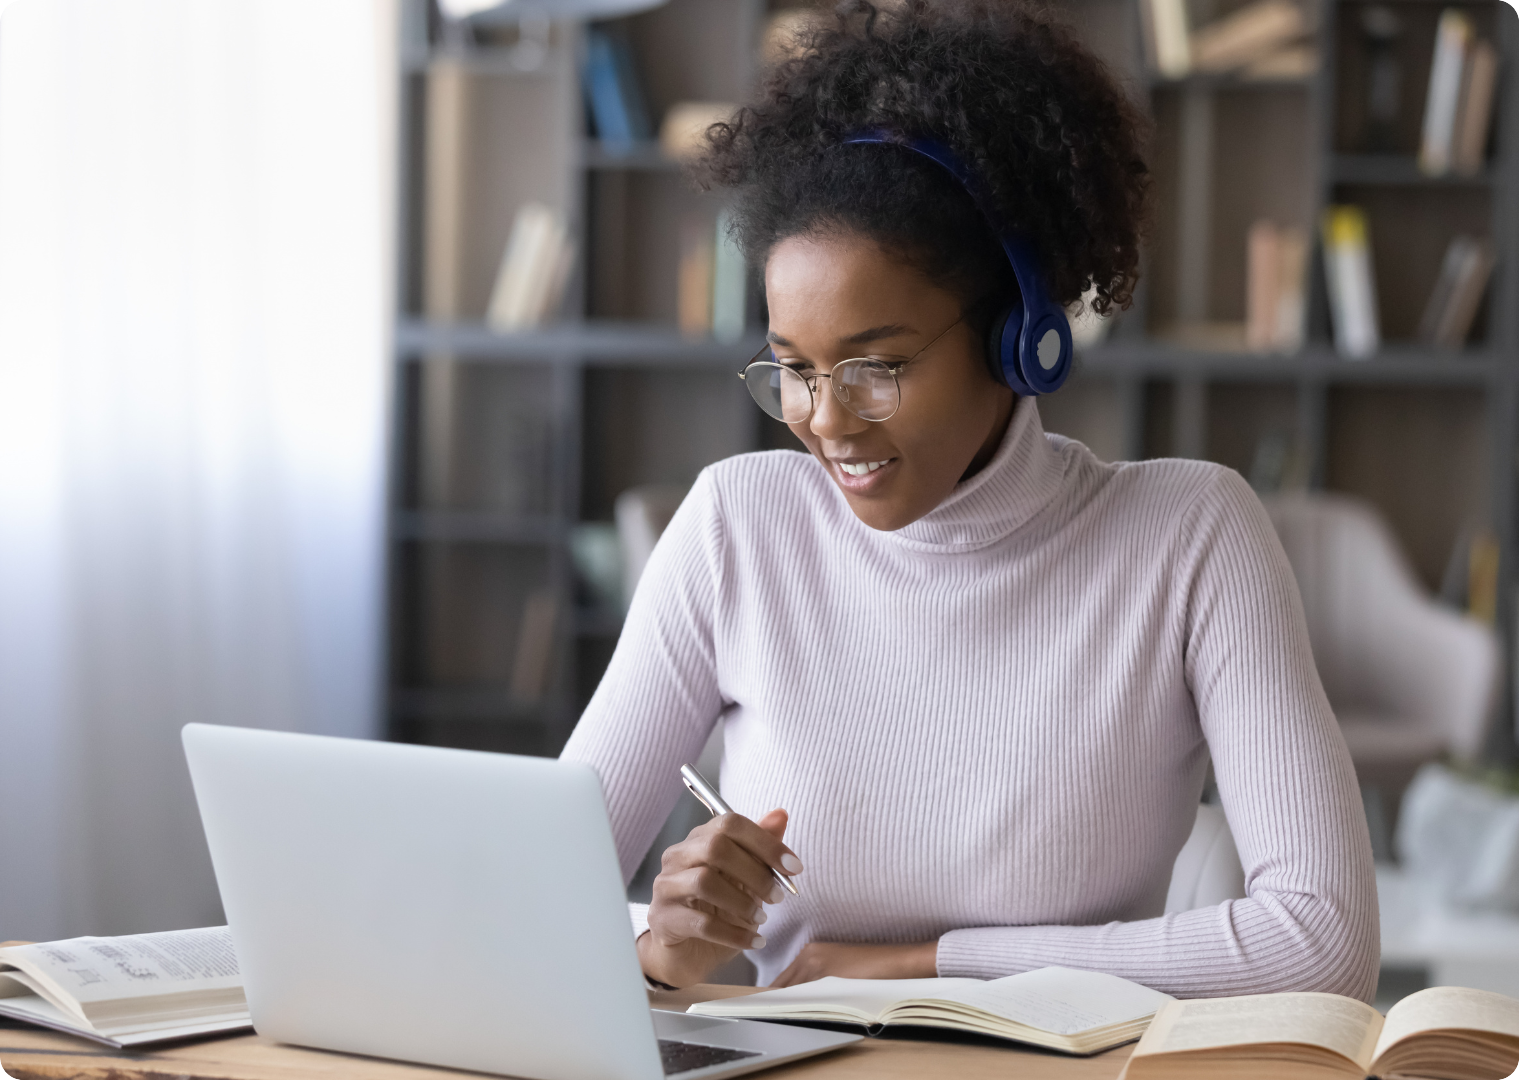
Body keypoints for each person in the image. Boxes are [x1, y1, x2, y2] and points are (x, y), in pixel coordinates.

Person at [561, 0, 1378, 999]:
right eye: (792, 369)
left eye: (877, 366)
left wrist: (924, 967)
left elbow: (1323, 940)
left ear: (1018, 337)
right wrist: (658, 953)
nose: (825, 420)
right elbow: (534, 910)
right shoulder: (738, 527)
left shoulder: (1189, 537)